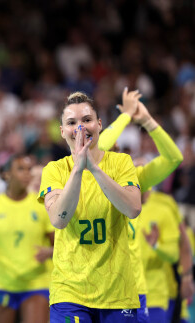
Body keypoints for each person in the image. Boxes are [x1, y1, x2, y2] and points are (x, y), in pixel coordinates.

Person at [39, 91, 142, 322]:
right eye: (71, 123)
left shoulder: (121, 162)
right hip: (70, 292)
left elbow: (133, 209)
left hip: (118, 292)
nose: (80, 128)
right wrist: (78, 169)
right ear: (62, 131)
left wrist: (94, 168)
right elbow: (59, 219)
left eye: (86, 120)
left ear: (99, 124)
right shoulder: (54, 170)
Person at [98, 88, 185, 323]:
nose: (117, 156)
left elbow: (174, 158)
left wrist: (146, 120)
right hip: (100, 290)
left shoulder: (134, 179)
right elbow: (101, 147)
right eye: (113, 152)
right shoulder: (90, 180)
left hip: (136, 290)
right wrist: (126, 115)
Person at [0, 154, 54, 323]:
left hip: (36, 281)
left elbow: (59, 245)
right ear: (6, 174)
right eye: (21, 169)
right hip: (1, 282)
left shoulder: (42, 205)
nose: (27, 174)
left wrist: (50, 251)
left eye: (29, 169)